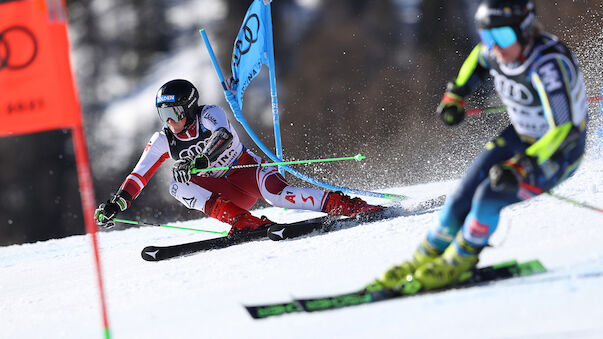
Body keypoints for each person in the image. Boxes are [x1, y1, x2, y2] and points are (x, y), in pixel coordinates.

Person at [376, 0, 587, 290]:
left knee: (489, 196)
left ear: (525, 31)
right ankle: (422, 259)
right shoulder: (497, 51)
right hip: (521, 135)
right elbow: (478, 58)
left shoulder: (548, 65)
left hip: (558, 152)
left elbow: (566, 130)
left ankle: (458, 262)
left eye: (502, 37)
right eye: (488, 36)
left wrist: (523, 164)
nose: (495, 47)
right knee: (460, 198)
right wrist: (456, 94)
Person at [94, 79, 383, 234]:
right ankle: (244, 222)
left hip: (248, 172)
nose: (170, 121)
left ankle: (343, 204)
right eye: (164, 114)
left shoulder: (210, 114)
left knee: (278, 196)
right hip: (224, 193)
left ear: (189, 107)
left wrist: (198, 162)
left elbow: (223, 137)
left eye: (174, 113)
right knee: (176, 185)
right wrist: (116, 204)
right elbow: (138, 175)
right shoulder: (162, 140)